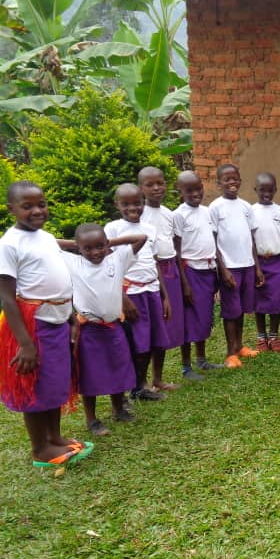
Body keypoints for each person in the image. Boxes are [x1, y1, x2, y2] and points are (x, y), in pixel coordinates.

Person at [0, 181, 92, 468]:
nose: (37, 211)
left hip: (58, 322)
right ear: (11, 209)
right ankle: (39, 448)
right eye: (27, 206)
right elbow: (7, 298)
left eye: (42, 204)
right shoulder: (8, 245)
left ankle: (55, 437)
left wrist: (71, 317)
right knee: (33, 386)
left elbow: (58, 282)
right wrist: (25, 344)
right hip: (32, 327)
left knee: (54, 383)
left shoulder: (45, 237)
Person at [60, 223, 146, 436]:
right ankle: (92, 419)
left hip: (114, 326)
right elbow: (48, 245)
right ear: (79, 248)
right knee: (89, 373)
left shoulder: (116, 259)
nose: (95, 252)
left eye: (100, 246)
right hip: (89, 329)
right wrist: (76, 245)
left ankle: (118, 409)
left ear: (107, 244)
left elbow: (141, 238)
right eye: (88, 248)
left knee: (118, 366)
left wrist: (107, 243)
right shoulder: (73, 262)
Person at [105, 183, 171, 402]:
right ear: (117, 204)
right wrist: (122, 298)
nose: (132, 208)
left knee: (153, 339)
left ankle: (144, 384)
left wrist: (164, 296)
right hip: (131, 292)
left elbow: (154, 261)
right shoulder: (113, 229)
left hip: (151, 289)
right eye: (126, 204)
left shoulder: (149, 228)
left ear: (143, 202)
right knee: (137, 342)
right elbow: (108, 266)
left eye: (137, 203)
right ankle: (134, 387)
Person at [209, 163, 264, 368]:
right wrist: (222, 269)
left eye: (235, 178)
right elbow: (213, 241)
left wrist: (257, 267)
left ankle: (240, 346)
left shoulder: (246, 207)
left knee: (241, 309)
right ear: (219, 183)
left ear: (240, 181)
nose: (232, 182)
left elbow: (251, 239)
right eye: (227, 179)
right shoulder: (215, 208)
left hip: (247, 265)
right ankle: (230, 353)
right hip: (229, 267)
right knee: (231, 310)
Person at [173, 170, 222, 379]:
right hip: (190, 272)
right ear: (180, 192)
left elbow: (212, 242)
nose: (195, 194)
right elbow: (176, 251)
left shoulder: (207, 211)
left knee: (204, 317)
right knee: (189, 319)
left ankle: (202, 359)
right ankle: (186, 366)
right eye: (189, 190)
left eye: (198, 189)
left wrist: (218, 270)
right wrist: (184, 283)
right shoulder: (179, 215)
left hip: (208, 270)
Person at [139, 166, 182, 391]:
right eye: (150, 185)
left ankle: (158, 378)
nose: (156, 188)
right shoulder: (139, 215)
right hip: (151, 274)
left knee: (165, 326)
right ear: (141, 188)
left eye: (160, 183)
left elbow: (172, 244)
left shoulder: (168, 213)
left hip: (170, 269)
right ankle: (142, 381)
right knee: (152, 326)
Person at [251, 172, 280, 352]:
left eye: (270, 190)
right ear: (255, 190)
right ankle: (261, 337)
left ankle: (274, 336)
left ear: (275, 190)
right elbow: (250, 240)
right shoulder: (251, 211)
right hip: (259, 261)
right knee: (258, 300)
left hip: (278, 262)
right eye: (262, 190)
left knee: (277, 300)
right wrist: (256, 267)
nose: (266, 194)